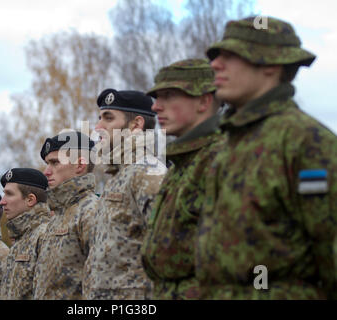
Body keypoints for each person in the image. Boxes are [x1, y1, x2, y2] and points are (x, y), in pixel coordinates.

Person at [196, 16, 337, 299]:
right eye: (216, 56)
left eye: (231, 55)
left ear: (271, 65)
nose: (215, 65)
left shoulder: (306, 141)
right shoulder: (230, 143)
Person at [141, 58, 225, 299]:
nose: (156, 107)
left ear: (204, 101)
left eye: (168, 96)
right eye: (157, 97)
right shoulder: (181, 163)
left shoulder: (221, 158)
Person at [83, 89, 166, 300]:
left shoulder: (148, 172)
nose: (98, 127)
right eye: (99, 118)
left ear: (136, 125)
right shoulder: (118, 177)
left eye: (108, 118)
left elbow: (168, 250)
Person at [33, 131, 98, 299]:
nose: (46, 171)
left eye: (55, 163)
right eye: (47, 163)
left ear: (79, 166)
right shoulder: (56, 219)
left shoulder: (91, 212)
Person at [0, 168, 50, 300]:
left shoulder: (45, 236)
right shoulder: (21, 239)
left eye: (9, 194)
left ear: (30, 199)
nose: (2, 201)